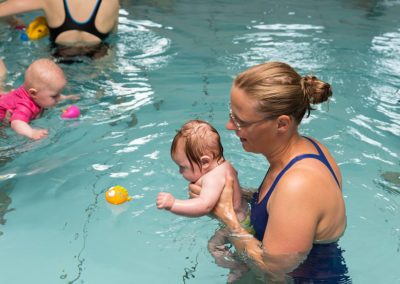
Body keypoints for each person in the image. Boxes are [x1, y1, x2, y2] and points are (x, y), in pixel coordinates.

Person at [190, 62, 349, 282]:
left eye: (240, 121)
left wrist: (226, 215)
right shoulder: (309, 149)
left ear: (282, 124)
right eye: (231, 113)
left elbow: (272, 271)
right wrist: (234, 194)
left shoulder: (299, 185)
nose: (229, 126)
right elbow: (280, 207)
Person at [156, 120, 254, 282]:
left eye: (183, 167)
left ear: (205, 162)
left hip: (238, 226)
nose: (180, 172)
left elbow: (204, 205)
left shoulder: (212, 178)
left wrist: (173, 204)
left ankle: (238, 267)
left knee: (214, 246)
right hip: (245, 217)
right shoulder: (225, 166)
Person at [0, 0, 119, 59]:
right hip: (99, 55)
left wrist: (13, 22)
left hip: (60, 55)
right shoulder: (112, 1)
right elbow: (113, 36)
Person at [0, 58, 79, 140]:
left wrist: (66, 97)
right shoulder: (25, 105)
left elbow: (54, 94)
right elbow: (16, 123)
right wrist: (31, 133)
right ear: (33, 93)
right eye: (54, 96)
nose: (58, 98)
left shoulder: (32, 92)